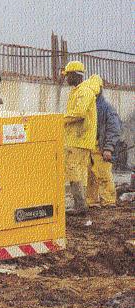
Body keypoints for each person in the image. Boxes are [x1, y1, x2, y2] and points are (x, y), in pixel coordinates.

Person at [62, 61, 100, 215]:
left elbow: (79, 113)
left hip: (80, 139)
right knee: (78, 170)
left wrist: (59, 120)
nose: (66, 79)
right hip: (77, 138)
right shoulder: (78, 91)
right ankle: (81, 204)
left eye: (67, 75)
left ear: (75, 75)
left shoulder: (84, 92)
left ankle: (80, 205)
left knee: (73, 169)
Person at [87, 76, 121, 208]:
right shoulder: (89, 105)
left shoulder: (107, 108)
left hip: (100, 148)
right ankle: (92, 201)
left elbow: (114, 129)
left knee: (104, 175)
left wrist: (108, 148)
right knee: (90, 176)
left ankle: (108, 201)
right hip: (89, 146)